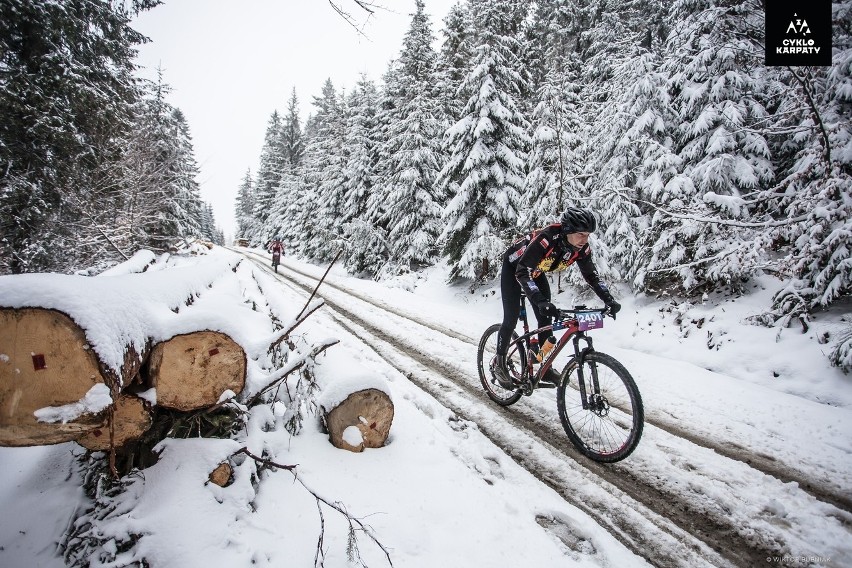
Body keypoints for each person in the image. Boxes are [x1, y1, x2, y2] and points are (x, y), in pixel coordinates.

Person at [492, 207, 621, 389]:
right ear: (567, 230)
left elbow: (591, 276)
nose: (585, 240)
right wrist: (539, 300)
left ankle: (545, 368)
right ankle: (499, 362)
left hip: (535, 272)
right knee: (511, 318)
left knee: (545, 319)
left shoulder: (580, 249)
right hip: (516, 269)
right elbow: (522, 271)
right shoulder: (547, 239)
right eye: (581, 234)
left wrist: (609, 299)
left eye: (588, 235)